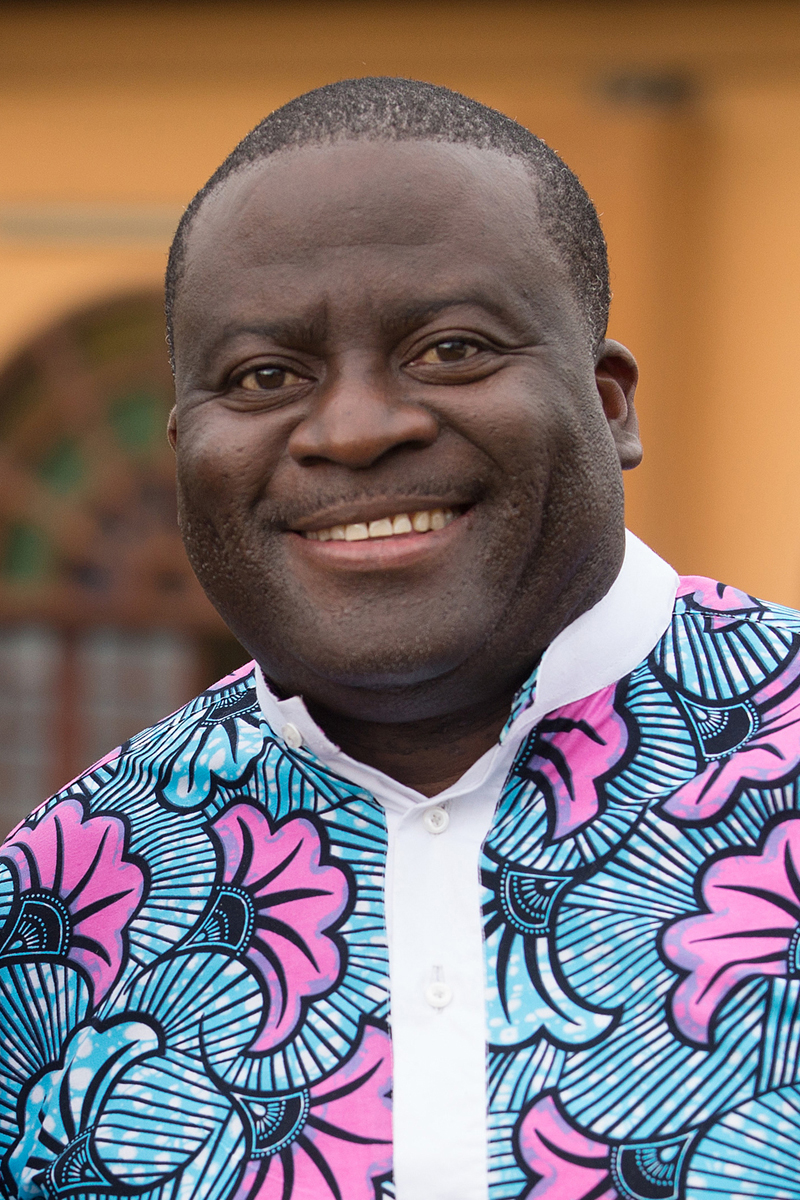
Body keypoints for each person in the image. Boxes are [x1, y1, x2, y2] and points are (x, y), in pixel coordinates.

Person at [0, 76, 798, 1200]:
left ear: (610, 403)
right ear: (185, 452)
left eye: (451, 349)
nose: (355, 430)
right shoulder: (56, 900)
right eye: (264, 377)